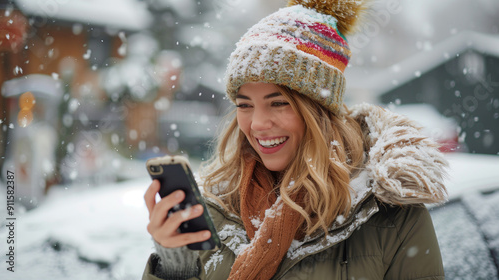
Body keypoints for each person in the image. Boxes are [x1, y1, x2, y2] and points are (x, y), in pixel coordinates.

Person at [143, 0, 448, 279]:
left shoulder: (393, 219)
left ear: (320, 111)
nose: (258, 124)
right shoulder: (217, 210)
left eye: (279, 103)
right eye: (244, 105)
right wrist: (174, 263)